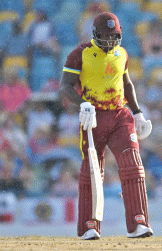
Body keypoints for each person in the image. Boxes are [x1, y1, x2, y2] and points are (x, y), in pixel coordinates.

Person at [59, 12, 153, 240]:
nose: (110, 42)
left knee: (132, 165)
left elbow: (126, 83)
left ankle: (138, 223)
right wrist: (83, 104)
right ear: (95, 34)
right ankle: (89, 226)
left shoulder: (122, 53)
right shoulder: (80, 54)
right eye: (105, 37)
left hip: (120, 115)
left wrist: (138, 113)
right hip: (93, 117)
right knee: (93, 170)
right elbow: (65, 87)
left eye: (114, 37)